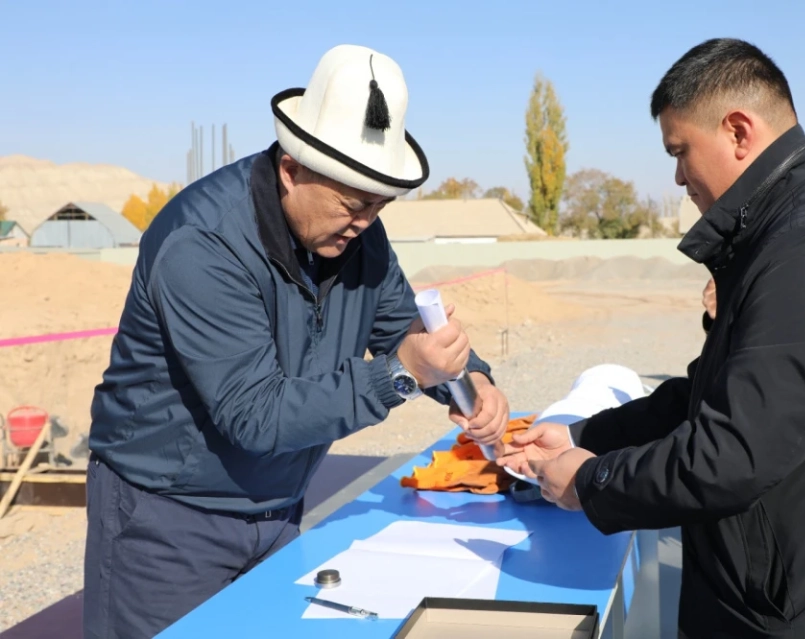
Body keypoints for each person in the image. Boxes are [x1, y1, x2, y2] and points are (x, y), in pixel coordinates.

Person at [498, 38, 805, 638]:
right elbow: (715, 391)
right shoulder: (789, 232)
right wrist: (587, 433)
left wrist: (590, 482)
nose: (679, 175)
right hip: (790, 598)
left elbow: (732, 452)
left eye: (681, 151)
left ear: (739, 131)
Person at [83, 44, 510, 639]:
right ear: (291, 169)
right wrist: (402, 375)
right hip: (168, 520)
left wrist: (474, 381)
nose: (365, 221)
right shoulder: (203, 244)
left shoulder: (359, 237)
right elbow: (254, 415)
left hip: (279, 510)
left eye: (379, 206)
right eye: (352, 204)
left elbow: (402, 326)